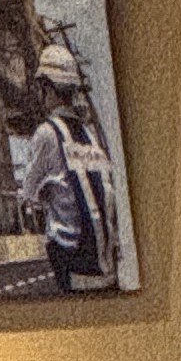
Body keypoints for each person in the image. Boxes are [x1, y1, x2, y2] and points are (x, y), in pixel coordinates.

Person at [15, 46, 121, 295]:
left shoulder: (47, 133)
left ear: (49, 88)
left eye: (42, 88)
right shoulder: (91, 136)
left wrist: (45, 195)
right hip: (107, 269)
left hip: (72, 267)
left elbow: (28, 194)